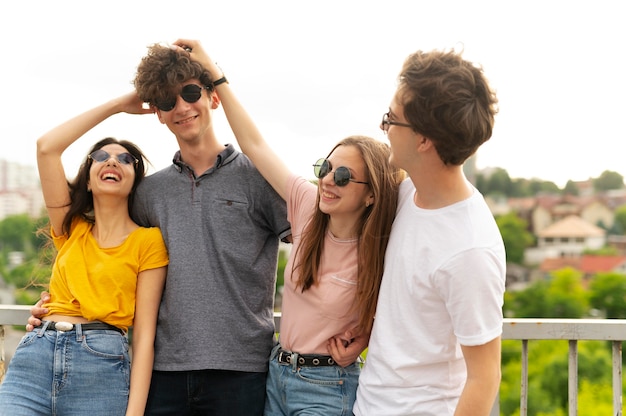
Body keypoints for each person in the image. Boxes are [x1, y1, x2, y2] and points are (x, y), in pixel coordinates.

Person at [197, 38, 404, 413]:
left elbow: (407, 309)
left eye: (343, 176)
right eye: (325, 168)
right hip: (277, 376)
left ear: (371, 194)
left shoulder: (383, 247)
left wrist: (368, 334)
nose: (327, 180)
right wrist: (216, 74)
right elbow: (255, 146)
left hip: (328, 386)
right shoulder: (308, 207)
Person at [352, 49, 506, 415]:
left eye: (392, 118)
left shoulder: (470, 250)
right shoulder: (407, 194)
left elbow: (484, 378)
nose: (383, 127)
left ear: (424, 140)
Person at [0, 93, 169, 416]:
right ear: (88, 180)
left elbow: (144, 338)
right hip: (33, 361)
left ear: (134, 181)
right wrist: (118, 106)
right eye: (101, 156)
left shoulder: (148, 242)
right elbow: (47, 147)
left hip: (100, 366)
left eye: (125, 160)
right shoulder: (70, 226)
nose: (112, 161)